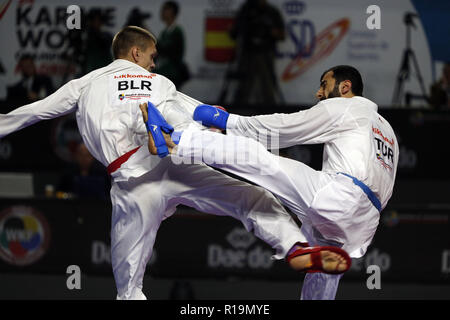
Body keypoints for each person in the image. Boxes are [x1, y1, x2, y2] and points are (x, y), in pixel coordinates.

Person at [0, 26, 350, 300]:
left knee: (128, 289)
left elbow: (35, 111)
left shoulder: (86, 83)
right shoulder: (159, 81)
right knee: (251, 197)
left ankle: (165, 133)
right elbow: (203, 111)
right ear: (136, 53)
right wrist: (223, 123)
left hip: (132, 183)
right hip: (174, 166)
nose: (154, 63)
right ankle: (295, 246)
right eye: (151, 56)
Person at [143, 65, 399, 300]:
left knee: (258, 160)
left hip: (341, 196)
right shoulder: (387, 132)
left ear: (344, 87)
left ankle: (173, 140)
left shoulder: (349, 107)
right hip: (364, 226)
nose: (318, 92)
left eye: (324, 84)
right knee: (322, 274)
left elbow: (284, 129)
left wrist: (229, 122)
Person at [229, 0, 285, 105]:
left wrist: (269, 30)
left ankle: (270, 111)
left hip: (265, 52)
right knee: (245, 84)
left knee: (267, 83)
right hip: (247, 52)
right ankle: (240, 111)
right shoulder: (246, 10)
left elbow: (281, 35)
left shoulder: (272, 12)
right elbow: (234, 33)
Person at [153, 1, 190, 89]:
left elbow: (167, 50)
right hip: (163, 72)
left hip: (173, 74)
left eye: (164, 9)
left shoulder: (177, 31)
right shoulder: (164, 32)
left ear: (172, 11)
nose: (161, 12)